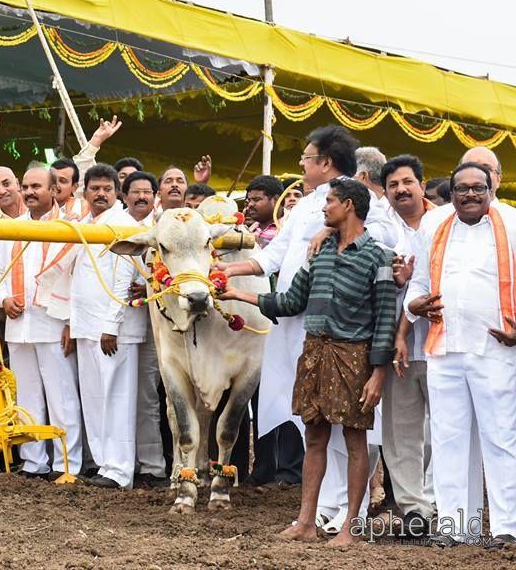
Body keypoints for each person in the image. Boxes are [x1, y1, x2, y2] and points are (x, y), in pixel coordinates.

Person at [218, 126, 400, 524]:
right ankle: (321, 506)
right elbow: (271, 259)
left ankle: (346, 510)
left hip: (344, 332)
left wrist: (333, 226)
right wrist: (226, 271)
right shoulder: (303, 208)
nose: (301, 165)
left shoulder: (359, 200)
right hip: (296, 327)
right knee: (311, 418)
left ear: (325, 163)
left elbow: (385, 239)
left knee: (348, 425)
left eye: (306, 159)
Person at [406, 161, 516, 549]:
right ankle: (456, 527)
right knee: (449, 440)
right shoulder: (434, 227)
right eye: (462, 188)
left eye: (478, 188)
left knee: (500, 438)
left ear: (491, 190)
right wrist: (413, 305)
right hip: (444, 348)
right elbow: (418, 283)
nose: (470, 194)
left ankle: (507, 527)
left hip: (495, 350)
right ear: (451, 194)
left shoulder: (512, 224)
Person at [0, 167, 83, 479]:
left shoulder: (68, 228)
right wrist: (3, 298)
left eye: (36, 187)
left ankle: (66, 463)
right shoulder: (12, 228)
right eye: (25, 187)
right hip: (19, 325)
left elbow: (74, 280)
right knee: (26, 397)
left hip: (53, 324)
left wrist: (70, 322)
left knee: (61, 396)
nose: (29, 192)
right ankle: (33, 461)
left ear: (54, 190)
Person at [68, 164, 145, 489]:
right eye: (94, 188)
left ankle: (120, 469)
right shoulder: (83, 223)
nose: (100, 194)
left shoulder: (122, 224)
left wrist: (111, 325)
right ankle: (103, 465)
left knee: (117, 398)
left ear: (117, 193)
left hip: (113, 329)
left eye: (107, 189)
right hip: (86, 325)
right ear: (83, 192)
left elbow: (125, 276)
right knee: (95, 397)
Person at [380, 154, 436, 538]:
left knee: (444, 430)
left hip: (441, 345)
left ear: (421, 184)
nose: (401, 189)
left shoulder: (447, 222)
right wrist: (400, 283)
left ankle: (441, 503)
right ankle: (414, 509)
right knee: (400, 432)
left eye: (407, 182)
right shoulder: (381, 230)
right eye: (393, 185)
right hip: (396, 350)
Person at [120, 171, 166, 486]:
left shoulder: (166, 227)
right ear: (124, 196)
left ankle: (152, 466)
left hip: (156, 325)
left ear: (155, 196)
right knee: (120, 396)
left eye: (147, 192)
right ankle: (119, 462)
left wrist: (151, 285)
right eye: (135, 192)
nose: (141, 197)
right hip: (118, 325)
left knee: (147, 396)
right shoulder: (113, 226)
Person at [243, 175, 283, 249]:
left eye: (256, 199)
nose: (250, 204)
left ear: (275, 199)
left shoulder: (291, 226)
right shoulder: (248, 230)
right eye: (249, 200)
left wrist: (261, 244)